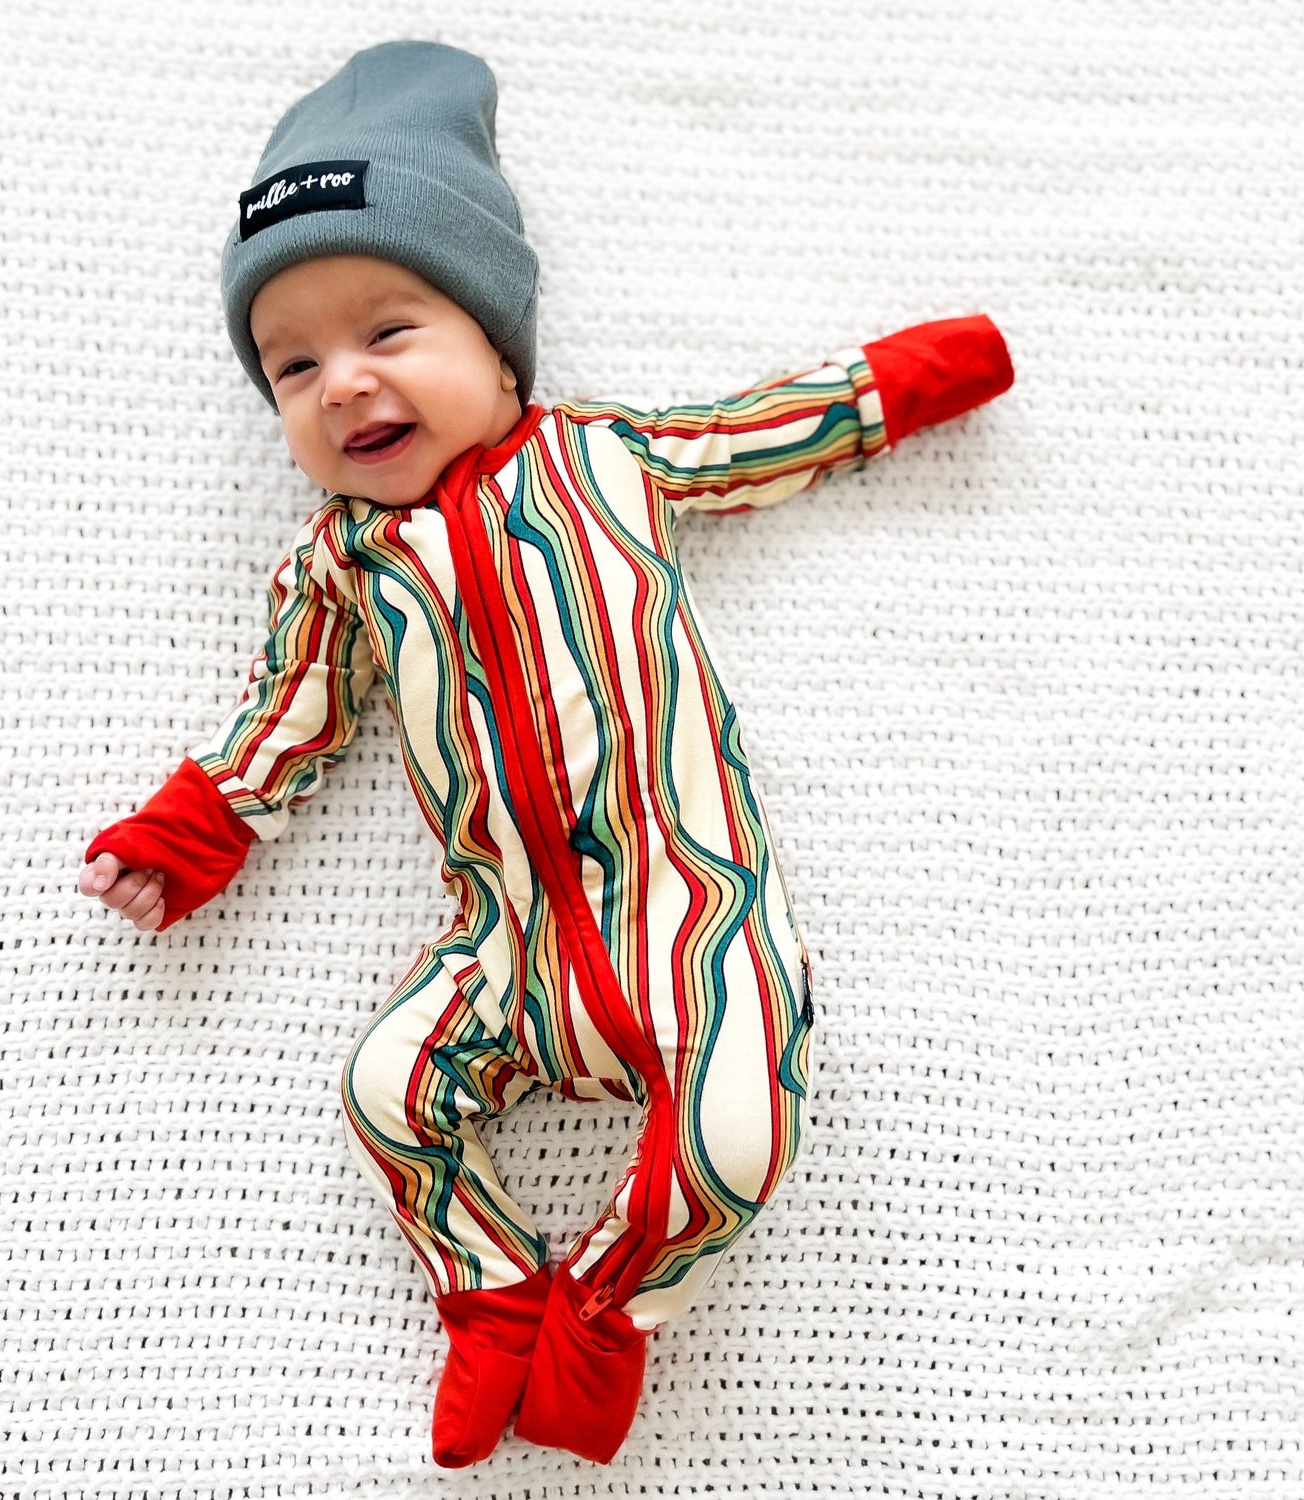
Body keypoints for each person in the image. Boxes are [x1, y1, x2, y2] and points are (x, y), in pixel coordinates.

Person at [76, 39, 1015, 1468]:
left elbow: (754, 434)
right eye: (292, 365)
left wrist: (912, 377)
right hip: (502, 944)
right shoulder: (338, 564)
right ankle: (493, 1291)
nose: (342, 386)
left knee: (740, 1137)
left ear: (495, 342)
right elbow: (288, 713)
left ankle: (609, 1310)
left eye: (389, 333)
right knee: (382, 1092)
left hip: (689, 912)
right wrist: (187, 835)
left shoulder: (603, 458)